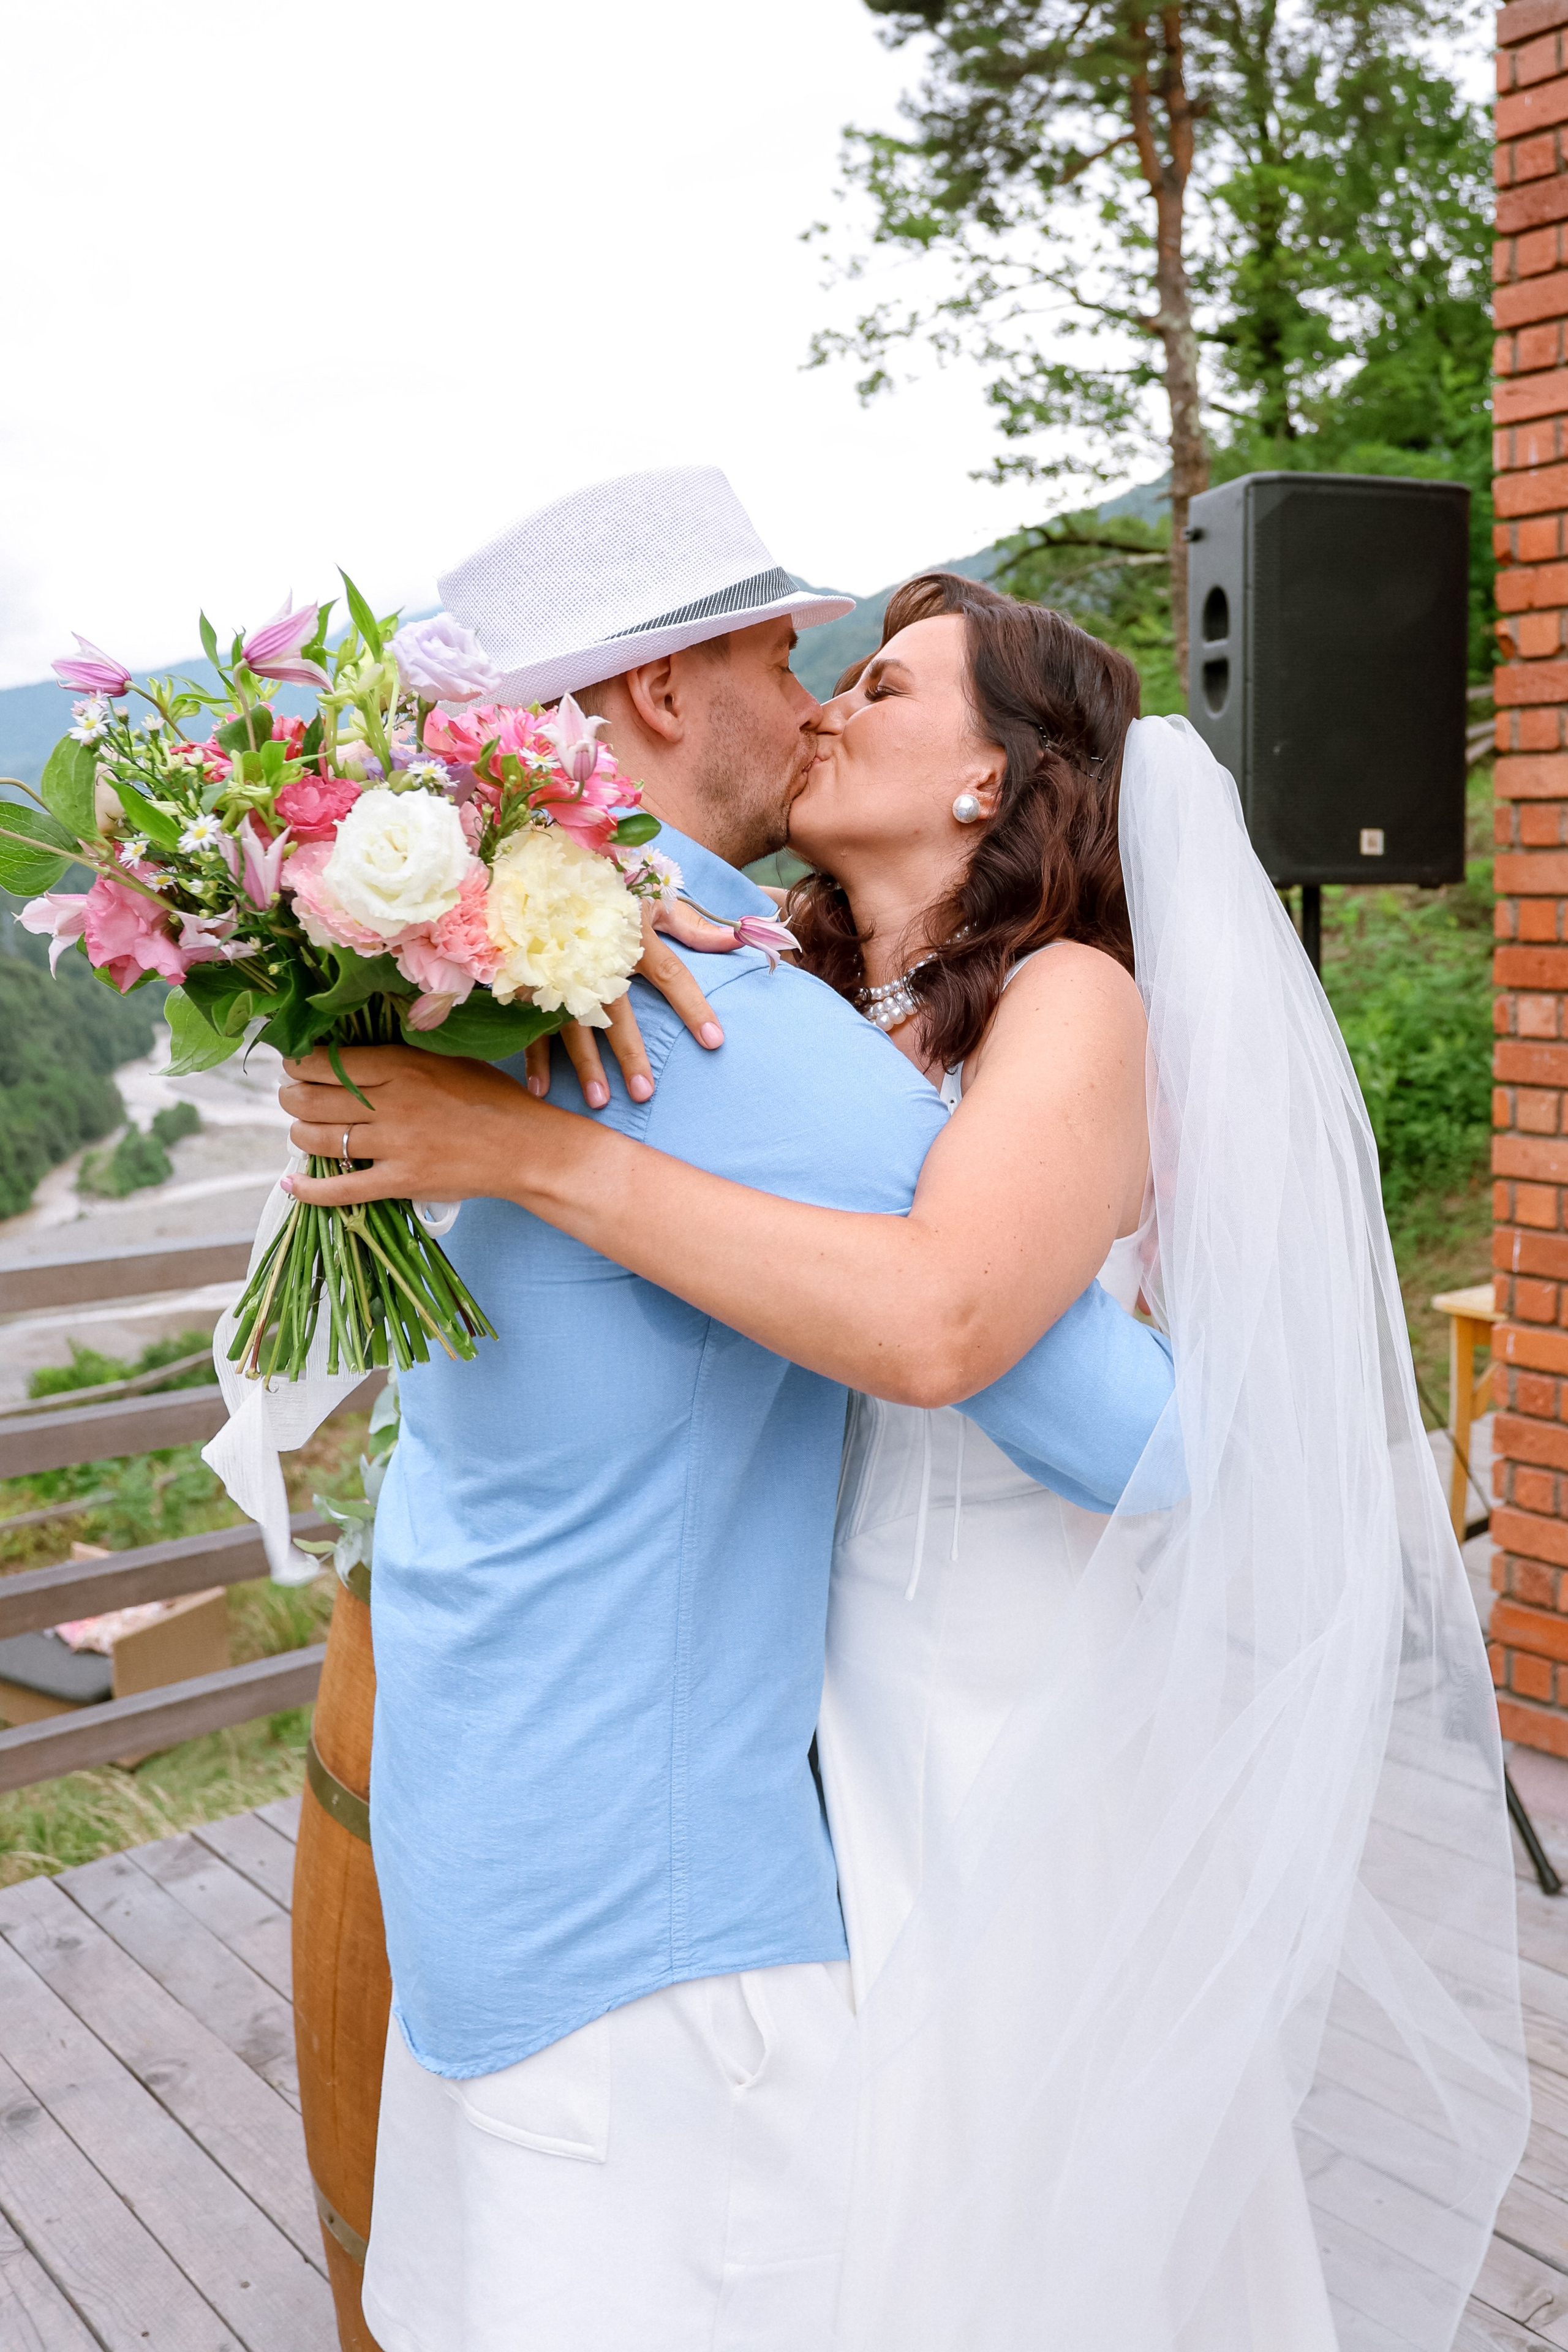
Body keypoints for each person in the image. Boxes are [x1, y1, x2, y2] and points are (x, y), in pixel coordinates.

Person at [287, 562, 1529, 2350]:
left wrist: (539, 1162)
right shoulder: (750, 989)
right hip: (820, 1694)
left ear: (991, 783)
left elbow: (1071, 1393)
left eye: (882, 684)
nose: (825, 704)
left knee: (1015, 2200)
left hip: (995, 1676)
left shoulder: (1069, 1001)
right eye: (819, 671)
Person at [269, 470, 1178, 2352]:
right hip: (649, 1913)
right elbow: (1128, 1431)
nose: (817, 691)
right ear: (670, 695)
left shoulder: (482, 995)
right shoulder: (696, 1008)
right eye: (781, 647)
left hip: (507, 1840)